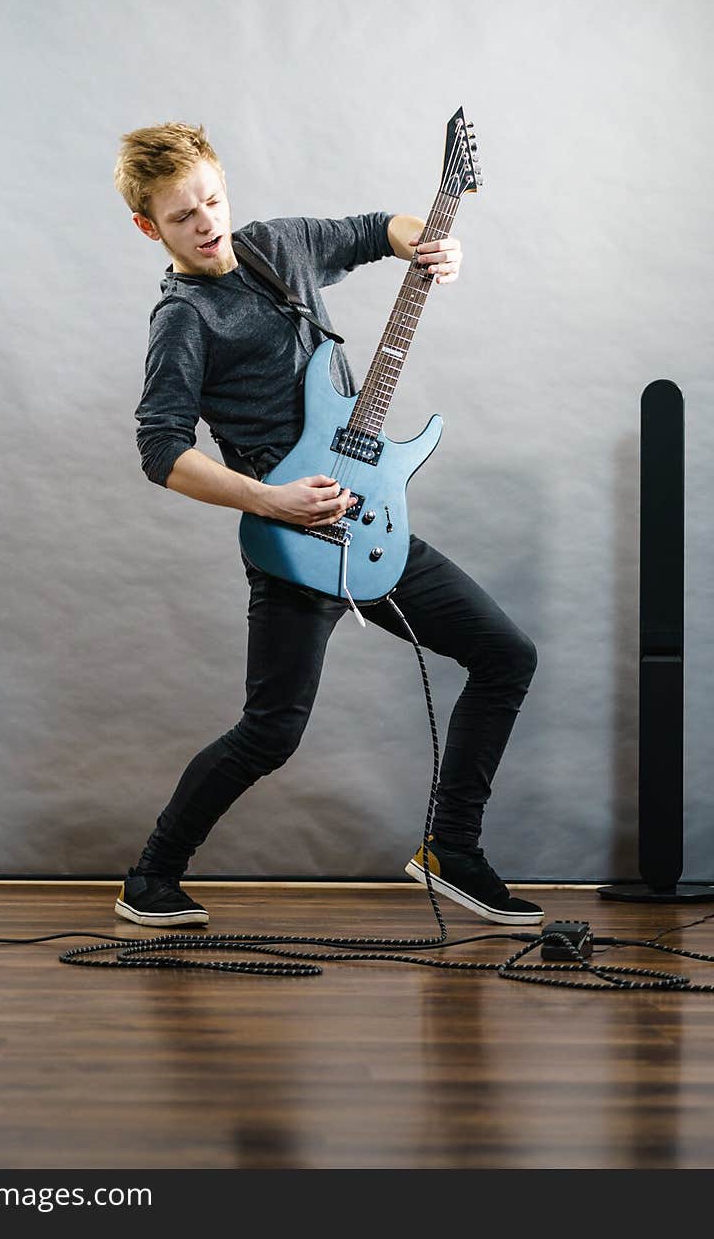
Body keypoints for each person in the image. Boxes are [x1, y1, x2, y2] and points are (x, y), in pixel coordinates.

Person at [112, 122, 541, 929]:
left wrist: (432, 244)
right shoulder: (183, 319)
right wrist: (268, 500)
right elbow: (160, 451)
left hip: (370, 516)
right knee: (271, 731)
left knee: (506, 655)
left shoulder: (280, 246)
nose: (207, 224)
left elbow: (377, 231)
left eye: (212, 199)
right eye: (182, 216)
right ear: (149, 228)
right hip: (290, 541)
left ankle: (452, 846)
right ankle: (151, 876)